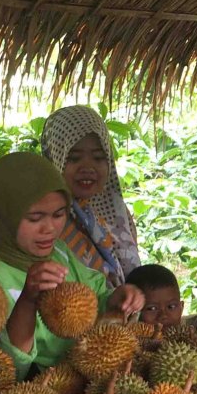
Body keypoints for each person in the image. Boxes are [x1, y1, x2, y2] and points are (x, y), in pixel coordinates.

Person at [0, 152, 144, 381]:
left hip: (88, 372)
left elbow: (93, 291)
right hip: (39, 387)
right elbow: (4, 366)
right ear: (3, 216)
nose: (49, 228)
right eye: (34, 218)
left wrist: (116, 298)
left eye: (59, 214)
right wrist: (29, 299)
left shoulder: (58, 250)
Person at [41, 105, 140, 288]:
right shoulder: (45, 217)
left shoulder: (116, 212)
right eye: (74, 158)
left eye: (98, 157)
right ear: (55, 157)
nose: (88, 167)